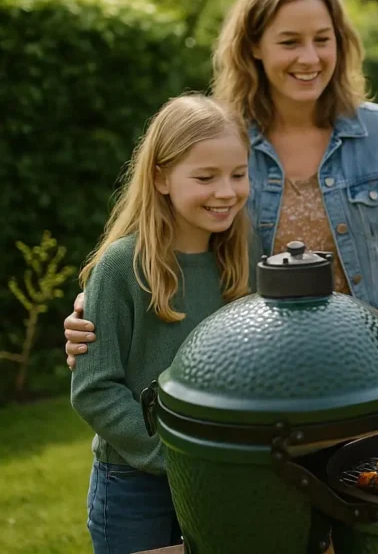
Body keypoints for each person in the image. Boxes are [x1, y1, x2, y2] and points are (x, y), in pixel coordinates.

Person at [65, 0, 378, 363]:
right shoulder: (221, 140)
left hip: (367, 366)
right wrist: (99, 308)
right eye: (290, 42)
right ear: (254, 45)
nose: (309, 58)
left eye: (322, 39)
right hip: (256, 374)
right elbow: (164, 244)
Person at [70, 94, 253, 554]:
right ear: (161, 177)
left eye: (238, 174)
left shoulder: (239, 264)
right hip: (133, 483)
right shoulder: (120, 267)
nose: (226, 191)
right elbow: (94, 388)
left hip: (219, 479)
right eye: (205, 177)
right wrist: (169, 457)